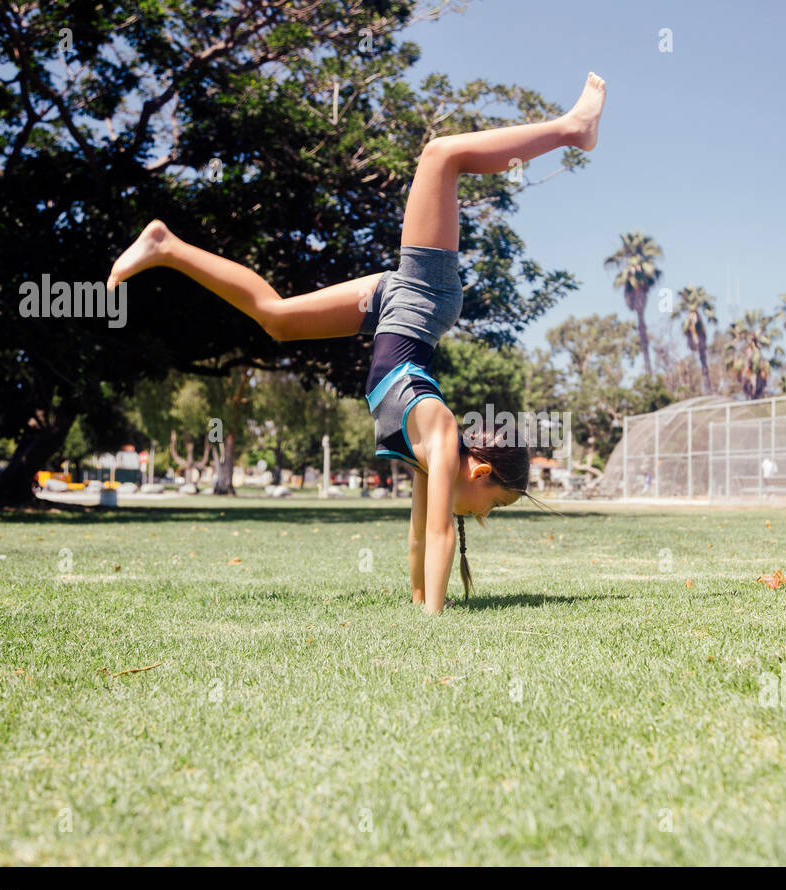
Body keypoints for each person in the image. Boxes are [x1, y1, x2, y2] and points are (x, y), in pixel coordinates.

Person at [106, 73, 607, 613]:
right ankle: (571, 129)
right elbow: (439, 534)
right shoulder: (438, 434)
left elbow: (420, 536)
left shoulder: (428, 458)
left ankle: (167, 246)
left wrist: (421, 603)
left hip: (393, 305)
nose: (481, 518)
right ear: (480, 472)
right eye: (492, 506)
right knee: (440, 155)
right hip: (424, 294)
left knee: (277, 319)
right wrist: (435, 623)